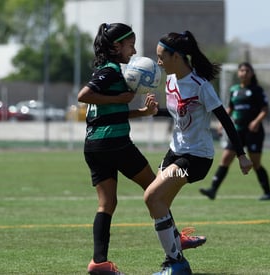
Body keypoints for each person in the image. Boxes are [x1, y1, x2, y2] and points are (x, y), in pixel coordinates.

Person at [77, 23, 205, 275]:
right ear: (116, 46)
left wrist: (142, 112)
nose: (133, 50)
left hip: (95, 146)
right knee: (155, 190)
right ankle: (176, 240)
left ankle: (99, 262)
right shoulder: (111, 71)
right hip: (116, 144)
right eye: (130, 44)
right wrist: (118, 98)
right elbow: (84, 96)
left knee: (107, 204)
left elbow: (109, 114)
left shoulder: (111, 71)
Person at [144, 31, 253, 275]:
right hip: (175, 151)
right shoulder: (171, 81)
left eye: (162, 57)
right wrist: (155, 111)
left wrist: (241, 155)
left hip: (196, 157)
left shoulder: (200, 85)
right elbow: (177, 114)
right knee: (158, 205)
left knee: (152, 197)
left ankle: (176, 264)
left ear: (177, 56)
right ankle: (177, 242)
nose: (158, 62)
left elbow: (225, 119)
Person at [199, 62, 270, 201]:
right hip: (237, 132)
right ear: (238, 73)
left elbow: (265, 110)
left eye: (247, 70)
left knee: (256, 163)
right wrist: (222, 123)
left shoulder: (257, 90)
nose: (244, 73)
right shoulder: (234, 90)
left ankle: (268, 192)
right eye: (241, 70)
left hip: (254, 132)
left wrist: (255, 121)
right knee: (225, 159)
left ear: (252, 73)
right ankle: (213, 190)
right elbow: (230, 109)